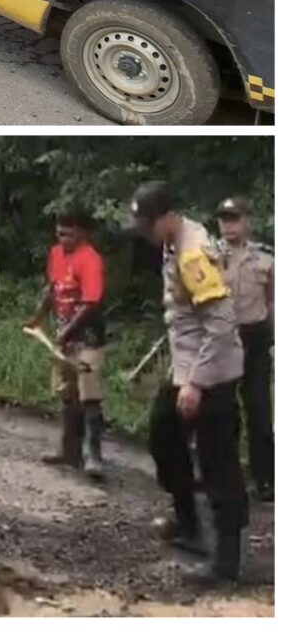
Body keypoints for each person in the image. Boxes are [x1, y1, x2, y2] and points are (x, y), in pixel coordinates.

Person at [130, 181, 248, 585]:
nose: (144, 231)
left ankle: (226, 562)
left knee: (218, 462)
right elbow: (184, 316)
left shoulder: (194, 251)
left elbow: (220, 325)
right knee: (164, 434)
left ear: (167, 216)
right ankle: (189, 524)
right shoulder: (171, 243)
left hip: (212, 371)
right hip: (187, 365)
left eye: (148, 223)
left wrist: (195, 383)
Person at [28, 210, 106, 480]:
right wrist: (38, 315)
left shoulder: (90, 259)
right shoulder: (57, 254)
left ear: (83, 232)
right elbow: (53, 288)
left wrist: (68, 333)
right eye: (59, 233)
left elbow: (91, 303)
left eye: (68, 234)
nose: (62, 238)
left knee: (90, 396)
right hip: (64, 335)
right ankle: (68, 451)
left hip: (87, 338)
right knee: (67, 393)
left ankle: (93, 455)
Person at [216, 196, 275, 502]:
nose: (229, 226)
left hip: (255, 338)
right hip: (222, 337)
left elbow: (273, 300)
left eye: (234, 219)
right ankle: (225, 475)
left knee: (260, 409)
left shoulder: (266, 258)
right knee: (222, 410)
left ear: (247, 221)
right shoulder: (210, 256)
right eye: (224, 219)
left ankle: (265, 477)